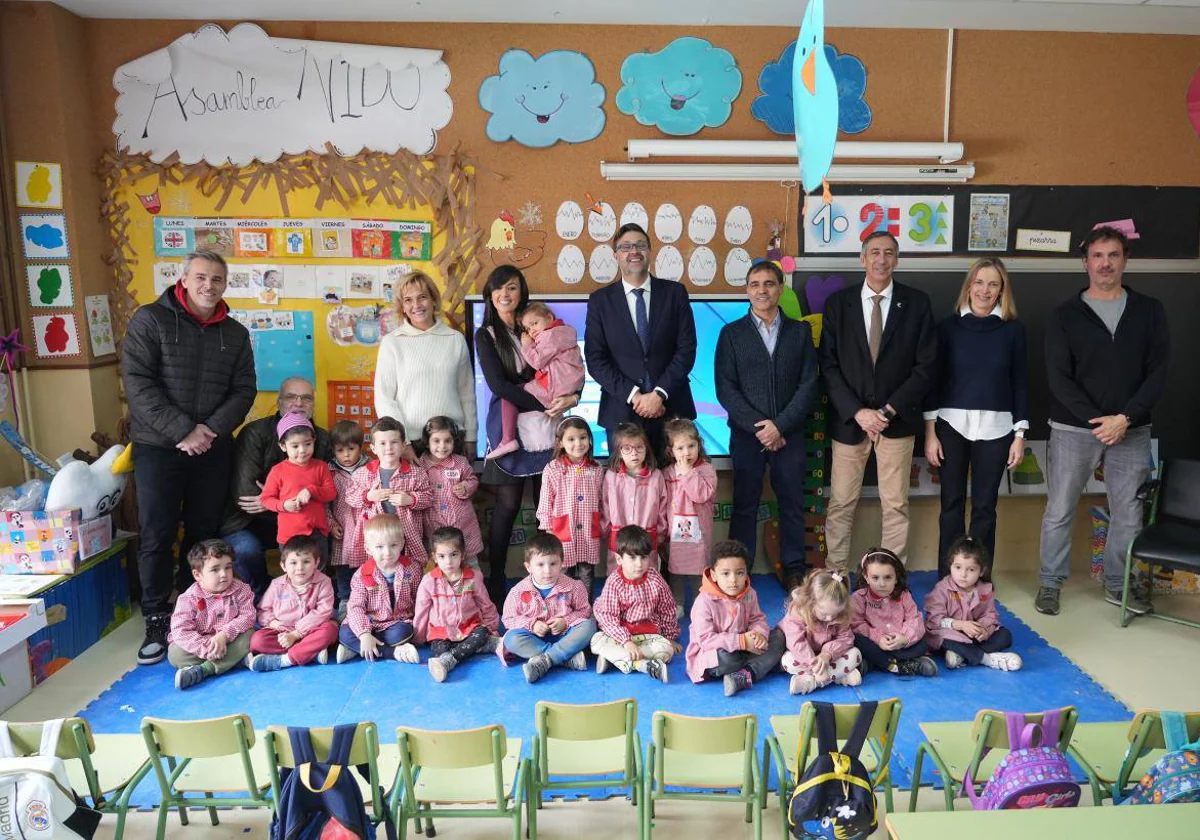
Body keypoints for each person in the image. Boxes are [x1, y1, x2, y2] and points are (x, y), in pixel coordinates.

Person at [121, 249, 256, 666]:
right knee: (157, 532)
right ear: (184, 278)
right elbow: (138, 383)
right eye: (200, 277)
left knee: (203, 531)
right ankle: (158, 618)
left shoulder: (234, 333)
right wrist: (182, 430)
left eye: (216, 279)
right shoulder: (150, 319)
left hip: (212, 447)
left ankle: (194, 610)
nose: (208, 286)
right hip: (159, 446)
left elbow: (244, 390)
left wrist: (207, 431)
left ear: (225, 284)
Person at [1035, 226, 1169, 617]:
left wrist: (1124, 418)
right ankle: (1049, 582)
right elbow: (1059, 379)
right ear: (1085, 262)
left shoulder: (1149, 310)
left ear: (1125, 260)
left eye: (1113, 255)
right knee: (1060, 507)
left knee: (1128, 512)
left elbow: (1157, 373)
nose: (1105, 263)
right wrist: (1100, 421)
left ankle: (1117, 583)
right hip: (1074, 429)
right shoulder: (1064, 315)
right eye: (1097, 256)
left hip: (1132, 428)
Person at [819, 232, 937, 573]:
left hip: (896, 421)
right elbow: (828, 365)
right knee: (841, 502)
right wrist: (858, 411)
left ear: (897, 260)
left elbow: (926, 366)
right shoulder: (838, 305)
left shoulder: (917, 303)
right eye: (874, 252)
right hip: (850, 422)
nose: (881, 259)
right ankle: (835, 574)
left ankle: (890, 579)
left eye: (888, 253)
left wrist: (888, 409)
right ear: (862, 259)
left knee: (896, 504)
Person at [476, 266, 579, 604]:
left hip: (547, 424)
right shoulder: (487, 334)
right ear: (490, 294)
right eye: (499, 288)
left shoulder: (540, 324)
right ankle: (496, 582)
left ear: (522, 292)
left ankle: (549, 580)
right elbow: (498, 384)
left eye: (513, 287)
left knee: (544, 507)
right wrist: (540, 400)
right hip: (512, 423)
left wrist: (571, 396)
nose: (506, 294)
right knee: (506, 506)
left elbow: (567, 364)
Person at [715, 261, 818, 588]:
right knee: (745, 504)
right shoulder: (731, 334)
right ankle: (736, 571)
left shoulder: (800, 332)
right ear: (747, 290)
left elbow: (809, 384)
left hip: (789, 435)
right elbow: (725, 388)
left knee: (791, 503)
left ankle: (793, 569)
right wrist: (760, 427)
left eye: (769, 284)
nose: (762, 290)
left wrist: (781, 425)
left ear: (780, 288)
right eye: (755, 284)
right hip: (747, 436)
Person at [925, 258, 1028, 576]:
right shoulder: (947, 328)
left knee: (985, 508)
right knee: (951, 507)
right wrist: (930, 432)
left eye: (993, 284)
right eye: (979, 282)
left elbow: (1020, 382)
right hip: (951, 426)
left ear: (1002, 290)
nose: (985, 290)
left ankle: (979, 578)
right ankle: (949, 579)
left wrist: (1019, 436)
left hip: (997, 429)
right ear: (969, 286)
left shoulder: (1013, 330)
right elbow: (933, 380)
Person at [584, 223, 697, 458]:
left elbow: (686, 350)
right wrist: (634, 395)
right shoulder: (600, 301)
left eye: (640, 245)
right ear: (616, 256)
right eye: (625, 247)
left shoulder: (675, 293)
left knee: (676, 488)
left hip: (671, 407)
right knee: (626, 490)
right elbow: (596, 359)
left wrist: (659, 393)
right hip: (621, 411)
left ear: (650, 251)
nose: (633, 251)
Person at [221, 377, 333, 604]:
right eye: (292, 396)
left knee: (330, 541)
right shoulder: (255, 433)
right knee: (245, 550)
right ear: (280, 401)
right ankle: (265, 597)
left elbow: (328, 488)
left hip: (304, 521)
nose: (299, 403)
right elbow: (246, 494)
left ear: (313, 404)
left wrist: (272, 497)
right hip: (250, 522)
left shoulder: (322, 438)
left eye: (306, 398)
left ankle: (318, 599)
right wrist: (287, 502)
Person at [374, 271, 477, 454]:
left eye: (422, 297)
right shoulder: (392, 342)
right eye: (408, 300)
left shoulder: (455, 339)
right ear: (402, 307)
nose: (416, 305)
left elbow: (467, 393)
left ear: (434, 300)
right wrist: (402, 442)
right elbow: (384, 399)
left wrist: (471, 436)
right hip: (411, 442)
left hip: (451, 440)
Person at [685, 539, 786, 697]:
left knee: (779, 636)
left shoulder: (749, 593)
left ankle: (746, 673)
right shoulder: (703, 602)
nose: (733, 580)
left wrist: (759, 635)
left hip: (746, 648)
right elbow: (705, 639)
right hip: (717, 654)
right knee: (727, 658)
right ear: (714, 575)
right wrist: (742, 642)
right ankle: (760, 666)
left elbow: (758, 619)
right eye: (725, 573)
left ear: (746, 572)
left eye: (740, 573)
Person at [487, 302, 586, 460]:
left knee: (509, 394)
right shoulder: (566, 332)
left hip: (554, 387)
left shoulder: (551, 335)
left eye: (534, 324)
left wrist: (527, 345)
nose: (532, 331)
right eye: (528, 328)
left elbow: (538, 361)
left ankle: (507, 439)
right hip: (568, 384)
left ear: (549, 317)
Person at [499, 531, 597, 683]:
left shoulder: (574, 587)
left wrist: (566, 621)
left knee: (588, 626)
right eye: (540, 564)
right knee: (511, 639)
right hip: (534, 638)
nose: (547, 570)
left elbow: (585, 611)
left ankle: (547, 659)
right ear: (528, 567)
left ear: (562, 563)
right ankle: (563, 659)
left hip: (565, 635)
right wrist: (532, 624)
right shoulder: (518, 591)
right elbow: (509, 618)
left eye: (553, 563)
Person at [590, 525, 680, 683]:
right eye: (632, 558)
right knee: (596, 641)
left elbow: (667, 609)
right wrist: (626, 642)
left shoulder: (655, 578)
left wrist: (669, 637)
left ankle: (615, 660)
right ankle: (642, 664)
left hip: (649, 636)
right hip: (620, 637)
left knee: (666, 650)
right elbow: (608, 618)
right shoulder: (614, 582)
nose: (639, 564)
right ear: (619, 559)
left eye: (644, 557)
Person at [413, 527, 501, 683]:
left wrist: (492, 628)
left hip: (469, 627)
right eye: (442, 556)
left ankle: (451, 659)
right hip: (442, 631)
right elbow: (422, 611)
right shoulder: (428, 581)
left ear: (463, 554)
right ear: (434, 557)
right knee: (438, 651)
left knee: (481, 633)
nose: (448, 561)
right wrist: (418, 638)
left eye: (453, 555)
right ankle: (479, 648)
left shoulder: (473, 578)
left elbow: (485, 604)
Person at [167, 539, 255, 690]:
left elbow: (248, 617)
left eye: (228, 568)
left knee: (251, 635)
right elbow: (181, 631)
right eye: (215, 569)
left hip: (230, 639)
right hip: (202, 645)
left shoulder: (241, 589)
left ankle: (204, 669)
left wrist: (224, 635)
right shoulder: (188, 599)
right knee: (175, 654)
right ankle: (235, 660)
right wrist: (207, 648)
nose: (224, 574)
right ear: (197, 574)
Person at [346, 417, 432, 570]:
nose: (389, 448)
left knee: (409, 570)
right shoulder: (362, 474)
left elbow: (429, 497)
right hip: (376, 538)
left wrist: (411, 499)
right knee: (375, 572)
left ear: (404, 445)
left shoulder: (417, 474)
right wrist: (368, 496)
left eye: (394, 442)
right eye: (382, 443)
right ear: (373, 448)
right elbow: (350, 497)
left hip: (407, 534)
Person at [925, 536, 1022, 671]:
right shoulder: (941, 589)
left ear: (981, 571)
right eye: (958, 567)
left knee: (1005, 636)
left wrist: (983, 630)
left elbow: (989, 614)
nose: (963, 574)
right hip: (951, 633)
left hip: (973, 636)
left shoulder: (985, 590)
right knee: (938, 638)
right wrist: (961, 625)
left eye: (971, 570)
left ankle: (962, 656)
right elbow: (934, 621)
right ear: (950, 565)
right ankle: (987, 659)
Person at [336, 514, 422, 665]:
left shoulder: (412, 569)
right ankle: (393, 652)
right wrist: (363, 634)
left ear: (402, 544)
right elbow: (355, 607)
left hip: (395, 623)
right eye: (380, 547)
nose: (387, 552)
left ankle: (356, 650)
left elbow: (419, 599)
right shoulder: (362, 574)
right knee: (344, 633)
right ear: (368, 549)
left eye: (393, 545)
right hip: (368, 621)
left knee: (403, 633)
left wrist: (420, 625)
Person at [536, 417, 605, 600]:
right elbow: (545, 501)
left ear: (590, 440)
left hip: (588, 530)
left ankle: (585, 609)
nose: (578, 443)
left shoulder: (597, 468)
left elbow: (601, 499)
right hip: (562, 530)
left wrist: (603, 523)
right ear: (561, 442)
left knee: (587, 571)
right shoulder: (553, 469)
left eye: (583, 437)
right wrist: (548, 527)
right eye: (571, 439)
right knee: (563, 570)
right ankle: (563, 608)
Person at [247, 534, 338, 672]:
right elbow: (263, 611)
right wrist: (273, 623)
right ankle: (310, 653)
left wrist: (296, 635)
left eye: (306, 561)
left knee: (330, 630)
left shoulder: (324, 582)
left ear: (316, 563)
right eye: (293, 563)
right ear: (283, 565)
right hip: (283, 632)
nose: (300, 568)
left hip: (313, 629)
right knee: (257, 640)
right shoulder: (276, 584)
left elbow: (323, 612)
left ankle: (285, 660)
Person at [259, 412, 337, 566]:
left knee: (318, 570)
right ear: (282, 446)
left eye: (308, 444)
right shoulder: (278, 470)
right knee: (295, 573)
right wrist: (283, 505)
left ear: (314, 440)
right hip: (289, 536)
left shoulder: (320, 466)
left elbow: (331, 493)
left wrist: (311, 490)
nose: (302, 450)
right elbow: (265, 499)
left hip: (317, 533)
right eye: (295, 446)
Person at [850, 548, 937, 677]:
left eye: (888, 577)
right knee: (857, 640)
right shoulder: (859, 598)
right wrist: (878, 638)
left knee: (923, 644)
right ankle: (901, 666)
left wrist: (904, 638)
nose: (882, 584)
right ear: (866, 577)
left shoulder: (904, 595)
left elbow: (915, 620)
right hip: (876, 645)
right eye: (875, 578)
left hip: (900, 645)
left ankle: (874, 664)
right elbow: (856, 625)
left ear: (896, 578)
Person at [662, 418, 718, 616]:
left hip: (699, 535)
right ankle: (677, 604)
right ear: (671, 451)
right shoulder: (667, 473)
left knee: (698, 569)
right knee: (675, 568)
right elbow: (663, 502)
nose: (687, 453)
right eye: (680, 448)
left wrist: (687, 472)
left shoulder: (706, 471)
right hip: (675, 532)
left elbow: (700, 495)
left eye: (691, 446)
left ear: (699, 445)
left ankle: (698, 605)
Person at [779, 570, 863, 695]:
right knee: (786, 661)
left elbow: (846, 638)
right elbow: (796, 643)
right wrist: (814, 665)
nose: (829, 618)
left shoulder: (841, 614)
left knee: (856, 654)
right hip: (805, 657)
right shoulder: (797, 612)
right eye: (824, 614)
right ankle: (839, 676)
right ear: (811, 603)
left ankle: (811, 682)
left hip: (829, 658)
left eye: (834, 614)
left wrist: (827, 655)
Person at [601, 423, 669, 575]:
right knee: (617, 578)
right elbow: (605, 506)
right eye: (627, 448)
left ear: (646, 448)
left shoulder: (656, 476)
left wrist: (661, 532)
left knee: (646, 577)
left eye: (639, 447)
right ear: (619, 452)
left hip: (647, 536)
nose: (634, 454)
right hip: (619, 538)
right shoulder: (611, 476)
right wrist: (604, 530)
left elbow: (663, 507)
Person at [419, 417, 483, 568]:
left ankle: (475, 591)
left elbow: (472, 479)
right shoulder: (420, 465)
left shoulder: (460, 462)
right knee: (440, 567)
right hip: (434, 528)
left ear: (454, 441)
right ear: (427, 441)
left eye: (447, 441)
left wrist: (466, 487)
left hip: (463, 527)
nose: (442, 446)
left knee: (470, 564)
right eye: (436, 441)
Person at [328, 420, 369, 611]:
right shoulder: (329, 472)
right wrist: (331, 523)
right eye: (340, 450)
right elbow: (323, 504)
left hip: (365, 526)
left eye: (351, 449)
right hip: (342, 527)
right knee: (343, 565)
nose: (346, 455)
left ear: (360, 447)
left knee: (366, 563)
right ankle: (345, 600)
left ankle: (367, 597)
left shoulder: (370, 468)